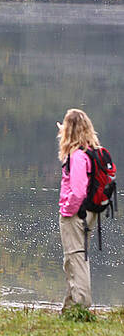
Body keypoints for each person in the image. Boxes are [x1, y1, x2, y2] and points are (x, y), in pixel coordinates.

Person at [57, 108, 100, 311]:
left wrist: (66, 210)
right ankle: (70, 305)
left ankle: (81, 306)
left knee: (75, 258)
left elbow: (78, 191)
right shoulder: (90, 152)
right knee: (74, 258)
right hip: (88, 213)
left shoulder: (77, 157)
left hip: (76, 214)